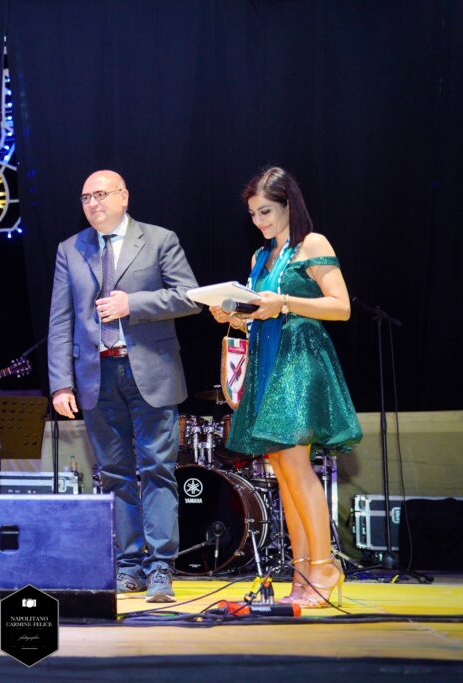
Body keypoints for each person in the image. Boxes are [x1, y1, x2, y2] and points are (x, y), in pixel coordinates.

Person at [210, 166, 361, 608]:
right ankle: (301, 572)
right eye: (254, 214)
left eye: (267, 211)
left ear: (289, 205)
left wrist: (286, 302)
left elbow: (342, 307)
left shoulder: (311, 245)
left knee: (297, 469)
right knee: (283, 474)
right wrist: (233, 315)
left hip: (299, 361)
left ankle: (325, 567)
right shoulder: (260, 259)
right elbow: (260, 313)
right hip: (266, 363)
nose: (260, 221)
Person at [48, 170, 200, 603]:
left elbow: (190, 296)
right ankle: (128, 566)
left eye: (100, 195)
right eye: (85, 198)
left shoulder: (159, 239)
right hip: (98, 376)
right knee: (114, 475)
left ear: (124, 197)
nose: (93, 203)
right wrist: (61, 384)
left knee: (157, 470)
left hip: (150, 371)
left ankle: (161, 569)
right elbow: (60, 321)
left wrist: (133, 305)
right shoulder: (69, 249)